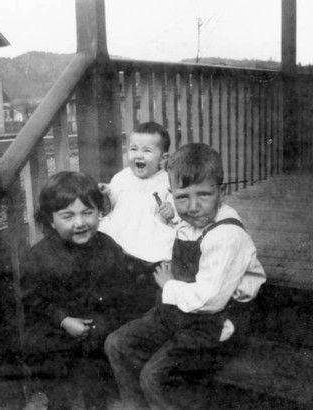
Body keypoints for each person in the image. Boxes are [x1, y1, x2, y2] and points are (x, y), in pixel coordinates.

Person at [104, 143, 267, 410]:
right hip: (180, 312)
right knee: (117, 344)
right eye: (182, 197)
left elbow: (210, 299)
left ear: (221, 193)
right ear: (172, 195)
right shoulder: (191, 219)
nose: (193, 207)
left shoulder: (226, 235)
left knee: (154, 375)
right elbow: (182, 230)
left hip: (216, 321)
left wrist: (169, 285)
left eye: (203, 195)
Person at [20, 171, 131, 410]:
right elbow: (32, 298)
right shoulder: (38, 257)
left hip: (95, 325)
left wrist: (104, 319)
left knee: (99, 361)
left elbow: (120, 291)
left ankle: (97, 401)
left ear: (99, 213)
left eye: (88, 213)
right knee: (55, 365)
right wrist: (63, 320)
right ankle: (59, 401)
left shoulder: (109, 248)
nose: (80, 223)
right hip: (55, 327)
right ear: (51, 220)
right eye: (67, 216)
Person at [98, 121, 178, 313]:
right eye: (133, 149)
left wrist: (170, 210)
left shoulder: (167, 180)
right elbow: (115, 197)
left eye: (147, 151)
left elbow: (175, 203)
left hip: (150, 233)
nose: (138, 155)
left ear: (163, 158)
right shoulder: (123, 176)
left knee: (151, 266)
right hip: (124, 230)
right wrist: (107, 191)